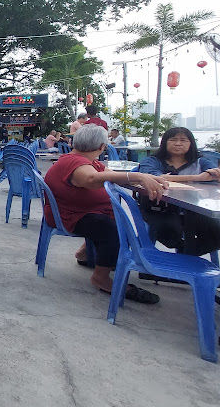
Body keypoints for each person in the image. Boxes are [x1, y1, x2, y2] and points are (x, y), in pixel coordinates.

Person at [43, 124, 167, 302]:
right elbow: (91, 178)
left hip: (80, 211)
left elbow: (110, 174)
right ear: (102, 147)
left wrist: (147, 177)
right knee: (111, 229)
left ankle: (85, 254)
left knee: (112, 220)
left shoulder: (88, 161)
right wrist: (139, 176)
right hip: (69, 216)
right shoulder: (75, 163)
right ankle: (101, 278)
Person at [138, 127, 220, 256]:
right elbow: (151, 177)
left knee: (216, 231)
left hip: (195, 209)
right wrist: (197, 178)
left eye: (183, 140)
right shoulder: (153, 161)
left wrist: (214, 175)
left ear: (191, 143)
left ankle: (184, 257)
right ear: (165, 142)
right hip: (160, 209)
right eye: (173, 140)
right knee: (171, 234)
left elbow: (214, 174)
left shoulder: (200, 161)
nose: (178, 143)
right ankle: (184, 256)